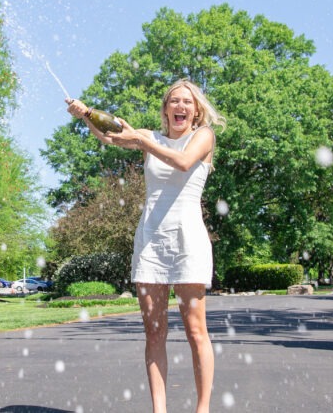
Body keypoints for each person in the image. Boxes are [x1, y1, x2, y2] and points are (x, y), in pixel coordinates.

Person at [66, 79, 225, 413]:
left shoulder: (203, 136)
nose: (181, 106)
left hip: (188, 241)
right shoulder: (150, 136)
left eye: (188, 102)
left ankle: (203, 409)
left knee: (196, 332)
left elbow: (182, 163)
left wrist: (141, 139)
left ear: (195, 110)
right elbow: (111, 135)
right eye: (174, 101)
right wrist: (85, 116)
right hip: (151, 240)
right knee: (154, 333)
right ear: (166, 108)